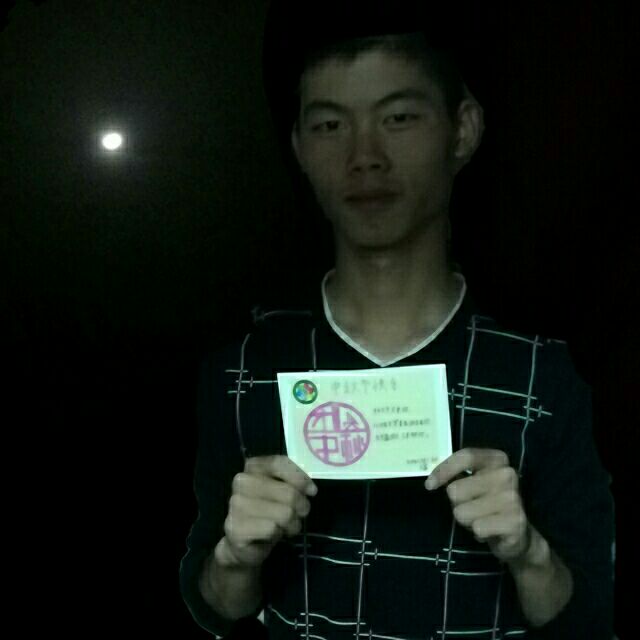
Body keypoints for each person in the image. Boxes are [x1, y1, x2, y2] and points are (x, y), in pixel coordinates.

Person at [179, 2, 615, 638]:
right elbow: (213, 605)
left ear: (462, 130)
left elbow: (592, 618)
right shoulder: (240, 371)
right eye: (330, 125)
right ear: (300, 148)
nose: (364, 156)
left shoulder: (542, 375)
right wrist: (233, 560)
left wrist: (530, 554)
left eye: (399, 117)